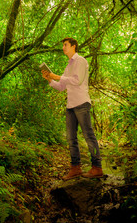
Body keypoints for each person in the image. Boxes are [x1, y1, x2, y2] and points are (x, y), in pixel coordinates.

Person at [42, 37, 103, 180]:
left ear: (73, 46)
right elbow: (61, 87)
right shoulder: (68, 66)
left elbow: (77, 80)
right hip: (70, 106)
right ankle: (75, 168)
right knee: (71, 138)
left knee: (89, 135)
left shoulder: (80, 61)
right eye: (63, 45)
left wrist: (57, 76)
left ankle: (97, 167)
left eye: (65, 45)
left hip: (82, 103)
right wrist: (50, 79)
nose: (63, 47)